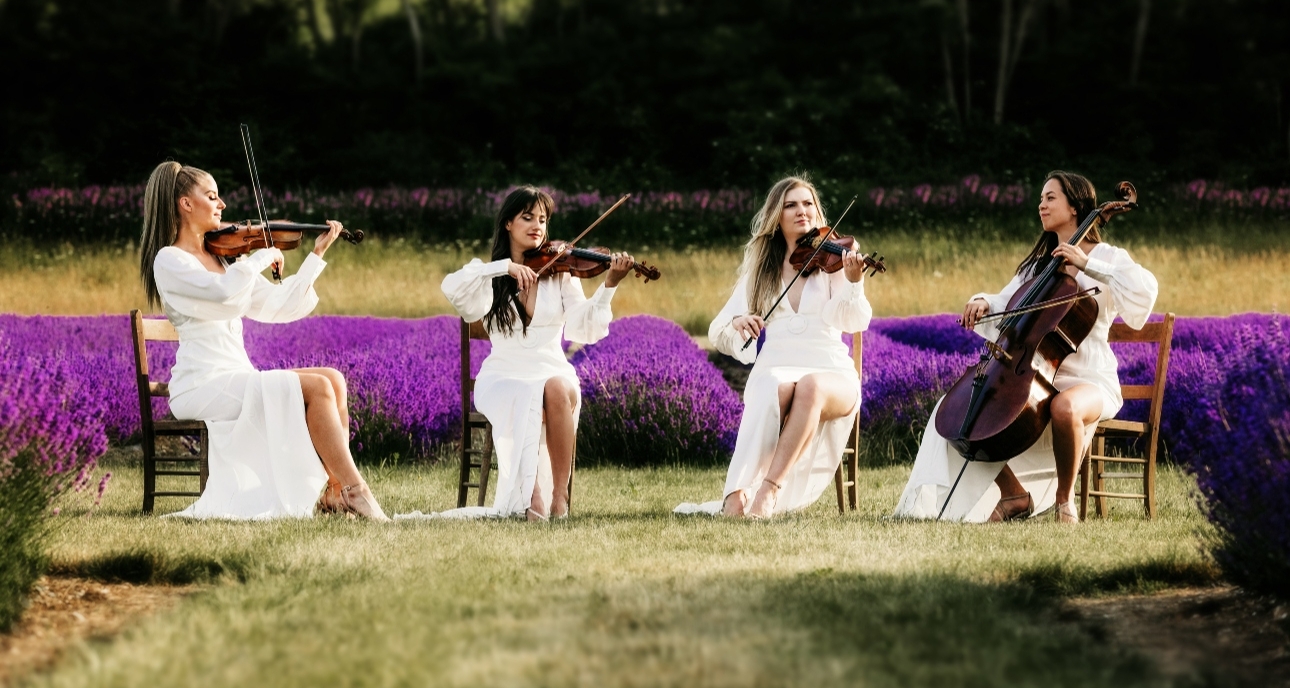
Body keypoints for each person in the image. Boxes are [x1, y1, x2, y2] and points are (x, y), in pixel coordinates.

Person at [893, 170, 1158, 524]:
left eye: (1051, 197)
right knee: (964, 410)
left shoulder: (1109, 256)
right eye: (1041, 198)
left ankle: (1065, 503)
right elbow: (1005, 301)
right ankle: (1015, 493)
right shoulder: (1039, 266)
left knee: (1064, 407)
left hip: (1090, 380)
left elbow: (1144, 292)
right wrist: (982, 301)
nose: (1041, 204)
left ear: (1076, 206)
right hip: (1033, 377)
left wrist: (1087, 264)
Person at [139, 161, 388, 521]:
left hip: (234, 375)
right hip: (202, 384)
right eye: (212, 196)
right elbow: (224, 295)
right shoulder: (171, 260)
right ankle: (357, 490)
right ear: (185, 204)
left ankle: (336, 490)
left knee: (333, 378)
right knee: (317, 387)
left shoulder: (223, 261)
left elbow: (277, 307)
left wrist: (315, 256)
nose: (222, 204)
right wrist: (260, 256)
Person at [407, 185, 632, 521]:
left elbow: (586, 328)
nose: (537, 225)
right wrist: (503, 269)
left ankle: (560, 497)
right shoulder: (489, 277)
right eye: (527, 217)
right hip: (502, 376)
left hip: (552, 369)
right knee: (527, 393)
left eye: (542, 219)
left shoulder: (562, 274)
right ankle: (532, 497)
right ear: (508, 224)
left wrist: (609, 286)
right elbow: (451, 286)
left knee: (555, 386)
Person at [675, 175, 872, 518]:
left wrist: (853, 285)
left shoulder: (837, 258)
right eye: (791, 205)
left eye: (808, 203)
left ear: (817, 210)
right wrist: (738, 323)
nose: (802, 211)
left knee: (810, 386)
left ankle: (768, 491)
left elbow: (854, 321)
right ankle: (736, 496)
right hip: (777, 365)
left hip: (831, 371)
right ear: (776, 216)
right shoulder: (760, 269)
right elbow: (718, 329)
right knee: (767, 387)